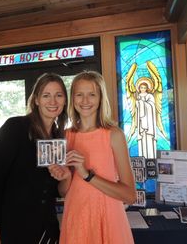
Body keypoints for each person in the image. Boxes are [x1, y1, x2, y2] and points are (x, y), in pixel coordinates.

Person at [0, 73, 68, 244]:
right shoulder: (15, 128)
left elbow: (54, 191)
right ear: (36, 100)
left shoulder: (58, 138)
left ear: (65, 100)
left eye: (59, 95)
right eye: (46, 95)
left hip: (47, 230)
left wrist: (66, 176)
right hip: (13, 230)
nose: (53, 101)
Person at [50, 71, 136, 244]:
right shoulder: (65, 137)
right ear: (72, 99)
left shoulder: (114, 135)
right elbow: (63, 192)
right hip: (76, 220)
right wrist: (66, 177)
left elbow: (130, 195)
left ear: (101, 98)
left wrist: (87, 175)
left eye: (91, 95)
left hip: (109, 220)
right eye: (79, 95)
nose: (85, 101)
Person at [136, 82, 157, 159]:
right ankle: (142, 157)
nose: (143, 89)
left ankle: (151, 157)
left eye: (144, 88)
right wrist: (139, 103)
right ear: (139, 88)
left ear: (147, 88)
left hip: (149, 122)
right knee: (142, 141)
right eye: (141, 88)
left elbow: (152, 106)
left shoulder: (150, 96)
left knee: (149, 140)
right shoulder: (138, 97)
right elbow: (137, 110)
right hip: (141, 122)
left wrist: (143, 103)